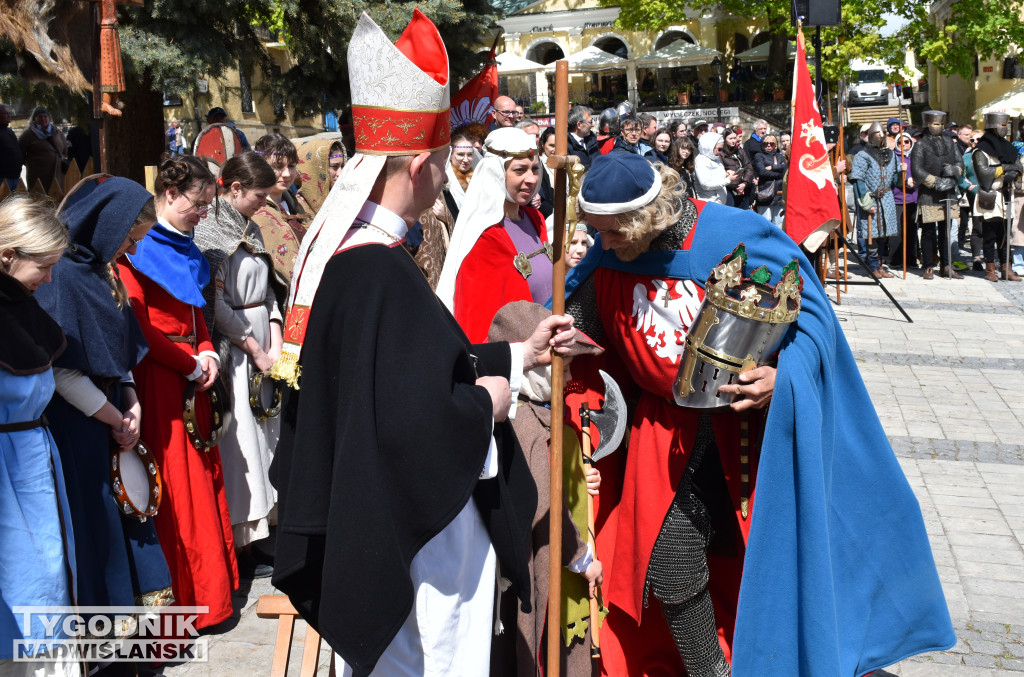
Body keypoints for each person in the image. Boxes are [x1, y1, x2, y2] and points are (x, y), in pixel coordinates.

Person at [554, 152, 955, 676]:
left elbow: (814, 326)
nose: (603, 244)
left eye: (613, 233)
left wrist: (780, 378)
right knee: (672, 560)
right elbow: (587, 325)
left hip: (745, 433)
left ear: (645, 220)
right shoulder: (610, 256)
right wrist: (566, 338)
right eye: (597, 232)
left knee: (759, 563)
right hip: (662, 435)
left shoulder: (734, 234)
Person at [266, 11, 576, 674]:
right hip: (422, 539)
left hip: (394, 517)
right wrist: (487, 403)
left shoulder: (357, 260)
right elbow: (413, 418)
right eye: (440, 161)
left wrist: (517, 356)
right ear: (416, 161)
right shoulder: (376, 268)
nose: (445, 176)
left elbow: (410, 372)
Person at [34, 179, 176, 648]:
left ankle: (136, 644)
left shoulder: (101, 270)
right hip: (81, 425)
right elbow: (63, 370)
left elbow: (119, 351)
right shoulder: (66, 278)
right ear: (106, 226)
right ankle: (108, 647)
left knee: (127, 520)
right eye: (130, 238)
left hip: (113, 415)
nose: (132, 249)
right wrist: (114, 417)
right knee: (99, 529)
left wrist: (130, 398)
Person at [118, 155, 239, 629]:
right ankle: (187, 604)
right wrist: (190, 362)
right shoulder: (136, 250)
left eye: (209, 206)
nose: (203, 215)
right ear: (170, 194)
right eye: (198, 204)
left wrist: (207, 351)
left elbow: (195, 316)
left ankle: (213, 595)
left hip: (193, 375)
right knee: (177, 486)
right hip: (162, 380)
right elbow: (143, 331)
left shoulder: (189, 248)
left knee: (204, 478)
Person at [486, 301, 603, 677]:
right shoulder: (525, 427)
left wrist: (582, 479)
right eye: (563, 367)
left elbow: (561, 482)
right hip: (538, 561)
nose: (569, 377)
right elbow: (545, 505)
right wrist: (583, 559)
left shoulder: (545, 420)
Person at [0, 194, 79, 677]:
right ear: (8, 255)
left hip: (33, 458)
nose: (49, 278)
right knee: (19, 582)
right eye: (43, 266)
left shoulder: (21, 305)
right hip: (7, 472)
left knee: (49, 576)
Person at [194, 152, 284, 578]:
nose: (263, 204)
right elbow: (218, 303)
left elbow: (268, 290)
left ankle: (270, 526)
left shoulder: (249, 226)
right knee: (242, 441)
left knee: (266, 436)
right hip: (236, 350)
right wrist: (254, 348)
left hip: (263, 341)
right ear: (234, 189)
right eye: (258, 195)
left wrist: (276, 332)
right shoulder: (211, 234)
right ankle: (246, 541)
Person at [437, 128, 548, 343]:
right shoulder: (485, 235)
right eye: (519, 170)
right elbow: (478, 322)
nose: (531, 179)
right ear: (497, 172)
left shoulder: (536, 219)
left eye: (535, 169)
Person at [911, 110, 965, 280]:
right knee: (927, 232)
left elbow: (959, 162)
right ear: (928, 124)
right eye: (936, 123)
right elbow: (917, 170)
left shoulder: (950, 143)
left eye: (941, 124)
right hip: (929, 193)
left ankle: (946, 265)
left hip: (948, 192)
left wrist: (953, 170)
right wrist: (935, 182)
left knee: (946, 231)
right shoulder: (921, 145)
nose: (939, 127)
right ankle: (928, 266)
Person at [252, 133, 307, 293]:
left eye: (291, 166)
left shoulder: (297, 205)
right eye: (278, 166)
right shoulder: (257, 211)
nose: (287, 174)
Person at [972, 111, 1022, 281]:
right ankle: (990, 270)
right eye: (1001, 125)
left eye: (1006, 125)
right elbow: (984, 173)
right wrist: (1004, 169)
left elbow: (1017, 166)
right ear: (993, 127)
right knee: (990, 235)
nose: (1004, 128)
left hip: (1006, 194)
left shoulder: (1008, 147)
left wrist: (1013, 173)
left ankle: (1006, 268)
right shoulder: (980, 150)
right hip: (990, 195)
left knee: (1004, 235)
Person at [851, 122, 898, 278]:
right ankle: (872, 267)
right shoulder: (862, 155)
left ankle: (880, 265)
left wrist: (902, 173)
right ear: (871, 136)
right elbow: (858, 181)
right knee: (872, 235)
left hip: (887, 199)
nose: (881, 135)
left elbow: (896, 180)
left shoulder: (891, 155)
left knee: (884, 234)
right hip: (871, 198)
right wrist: (866, 203)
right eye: (877, 133)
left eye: (882, 133)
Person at [18, 106, 68, 193]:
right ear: (35, 119)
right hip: (38, 175)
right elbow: (20, 154)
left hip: (58, 174)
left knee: (57, 198)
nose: (43, 119)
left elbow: (65, 151)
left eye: (45, 116)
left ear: (49, 118)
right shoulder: (28, 135)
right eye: (40, 117)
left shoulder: (57, 132)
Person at [890, 132, 919, 271]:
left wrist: (915, 181)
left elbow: (920, 172)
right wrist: (900, 173)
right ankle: (895, 259)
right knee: (898, 231)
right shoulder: (893, 157)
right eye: (900, 142)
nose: (904, 145)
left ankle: (911, 258)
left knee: (912, 231)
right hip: (898, 198)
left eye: (907, 142)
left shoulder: (915, 157)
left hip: (913, 198)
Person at [293, 137, 342, 216]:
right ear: (315, 169)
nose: (340, 173)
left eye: (342, 166)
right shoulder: (297, 208)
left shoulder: (341, 198)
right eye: (334, 167)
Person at [753, 134, 787, 226]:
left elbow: (785, 169)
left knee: (779, 223)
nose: (769, 145)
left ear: (775, 145)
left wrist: (772, 167)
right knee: (765, 222)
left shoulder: (780, 156)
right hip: (765, 194)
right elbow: (762, 172)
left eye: (772, 144)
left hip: (779, 194)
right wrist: (779, 173)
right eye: (766, 143)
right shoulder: (759, 156)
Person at [694, 131, 731, 204]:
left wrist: (726, 174)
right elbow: (705, 184)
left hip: (719, 203)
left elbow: (714, 175)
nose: (720, 152)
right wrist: (728, 180)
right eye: (719, 149)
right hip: (709, 203)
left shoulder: (715, 158)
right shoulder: (701, 160)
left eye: (722, 149)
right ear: (709, 146)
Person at [721, 126, 754, 209]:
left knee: (743, 214)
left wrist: (744, 183)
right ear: (725, 139)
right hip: (729, 189)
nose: (733, 141)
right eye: (730, 138)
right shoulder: (721, 153)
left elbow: (748, 167)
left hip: (743, 188)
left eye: (734, 138)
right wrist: (735, 186)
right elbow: (722, 171)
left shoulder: (740, 150)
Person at [567, 106, 599, 170]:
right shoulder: (566, 145)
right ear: (579, 125)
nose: (593, 125)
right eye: (590, 122)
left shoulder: (592, 139)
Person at [0, 104, 23, 191]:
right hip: (3, 177)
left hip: (15, 176)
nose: (9, 115)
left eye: (9, 113)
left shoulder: (9, 131)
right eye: (5, 113)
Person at [537, 126, 557, 219]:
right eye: (552, 145)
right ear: (543, 144)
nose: (555, 149)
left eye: (559, 145)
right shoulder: (538, 164)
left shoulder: (567, 162)